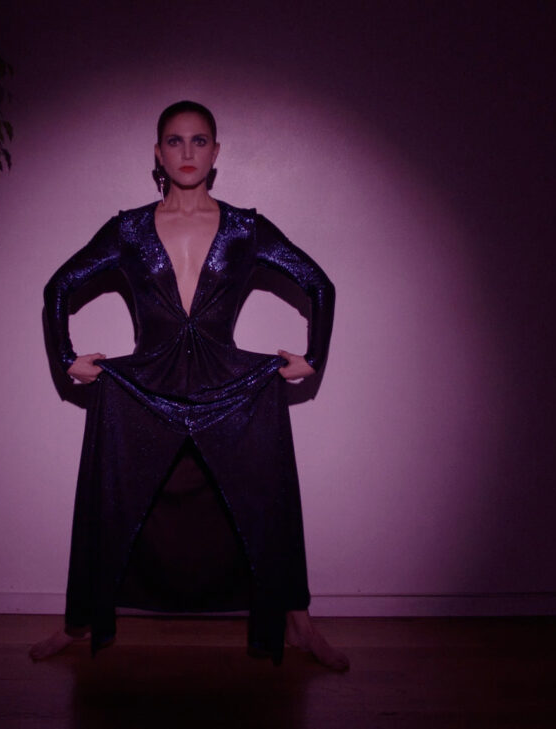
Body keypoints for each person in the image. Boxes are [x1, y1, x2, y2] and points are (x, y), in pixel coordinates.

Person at [33, 101, 347, 671]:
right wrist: (66, 358)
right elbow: (59, 286)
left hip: (230, 389)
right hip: (144, 390)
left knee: (269, 498)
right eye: (175, 141)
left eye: (199, 141)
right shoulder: (128, 229)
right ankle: (79, 621)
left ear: (215, 152)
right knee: (108, 500)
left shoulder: (246, 228)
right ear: (158, 153)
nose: (186, 152)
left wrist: (314, 357)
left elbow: (318, 283)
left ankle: (298, 622)